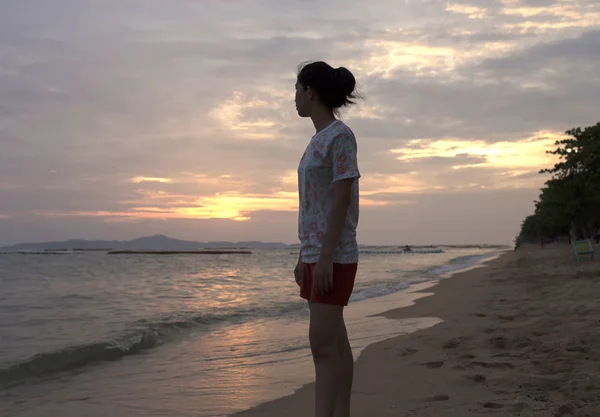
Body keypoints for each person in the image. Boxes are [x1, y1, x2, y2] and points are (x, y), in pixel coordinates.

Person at [293, 61, 361, 417]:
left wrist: (323, 258)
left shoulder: (340, 136)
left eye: (297, 89)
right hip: (316, 253)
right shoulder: (317, 140)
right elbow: (313, 205)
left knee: (322, 347)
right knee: (335, 342)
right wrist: (304, 256)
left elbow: (341, 200)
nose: (294, 98)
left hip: (333, 255)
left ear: (311, 92)